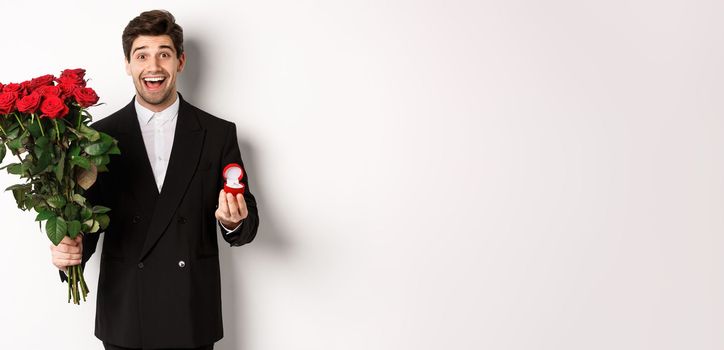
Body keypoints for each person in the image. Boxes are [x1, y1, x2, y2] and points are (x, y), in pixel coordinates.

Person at [48, 9, 259, 350]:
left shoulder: (218, 134)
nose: (154, 66)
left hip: (191, 311)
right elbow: (86, 219)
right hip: (128, 313)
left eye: (164, 54)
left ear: (180, 61)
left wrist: (234, 221)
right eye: (141, 55)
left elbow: (246, 220)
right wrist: (69, 251)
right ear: (128, 64)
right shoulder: (97, 138)